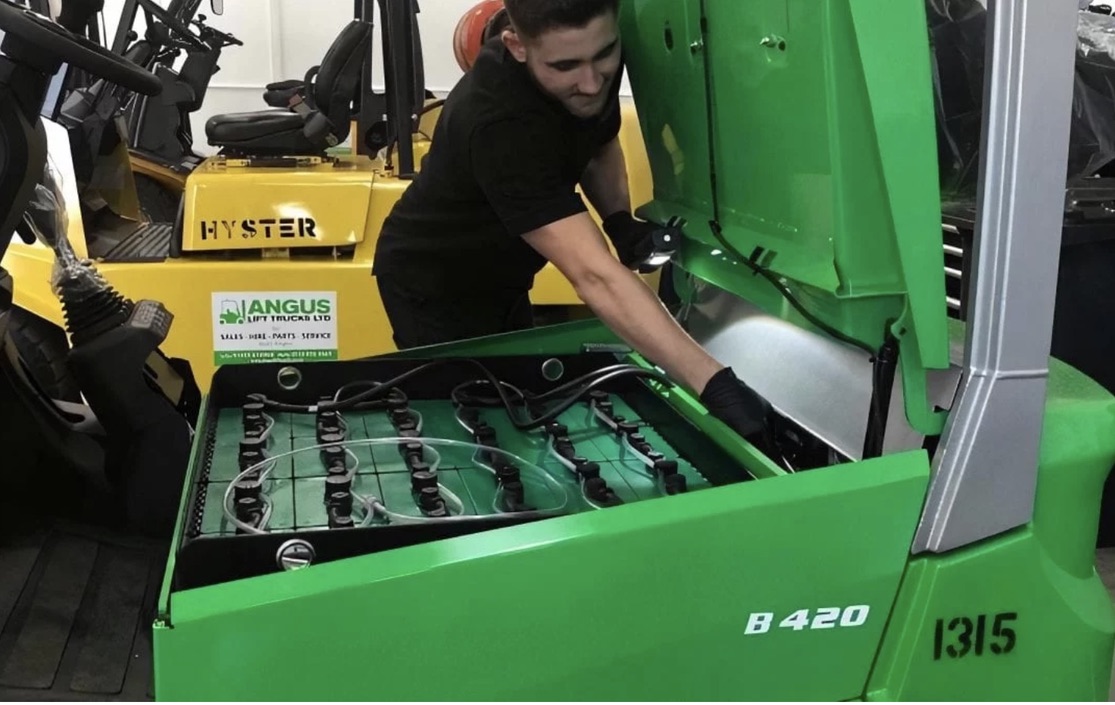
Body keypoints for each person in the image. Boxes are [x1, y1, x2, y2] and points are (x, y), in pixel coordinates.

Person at [372, 0, 774, 449]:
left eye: (603, 56)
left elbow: (597, 140)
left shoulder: (590, 57)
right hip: (432, 282)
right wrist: (715, 385)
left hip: (504, 275)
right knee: (473, 427)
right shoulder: (499, 124)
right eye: (565, 66)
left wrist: (619, 222)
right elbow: (593, 276)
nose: (590, 82)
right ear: (516, 46)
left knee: (513, 401)